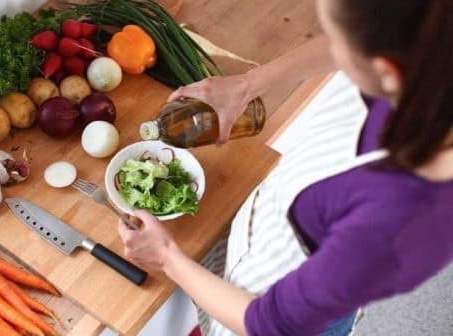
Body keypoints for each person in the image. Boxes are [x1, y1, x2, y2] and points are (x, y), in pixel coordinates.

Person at [117, 0, 453, 335]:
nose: (334, 47)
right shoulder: (431, 46)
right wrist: (249, 83)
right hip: (263, 234)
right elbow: (351, 42)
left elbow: (269, 324)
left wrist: (165, 256)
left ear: (387, 72)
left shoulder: (394, 227)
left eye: (339, 40)